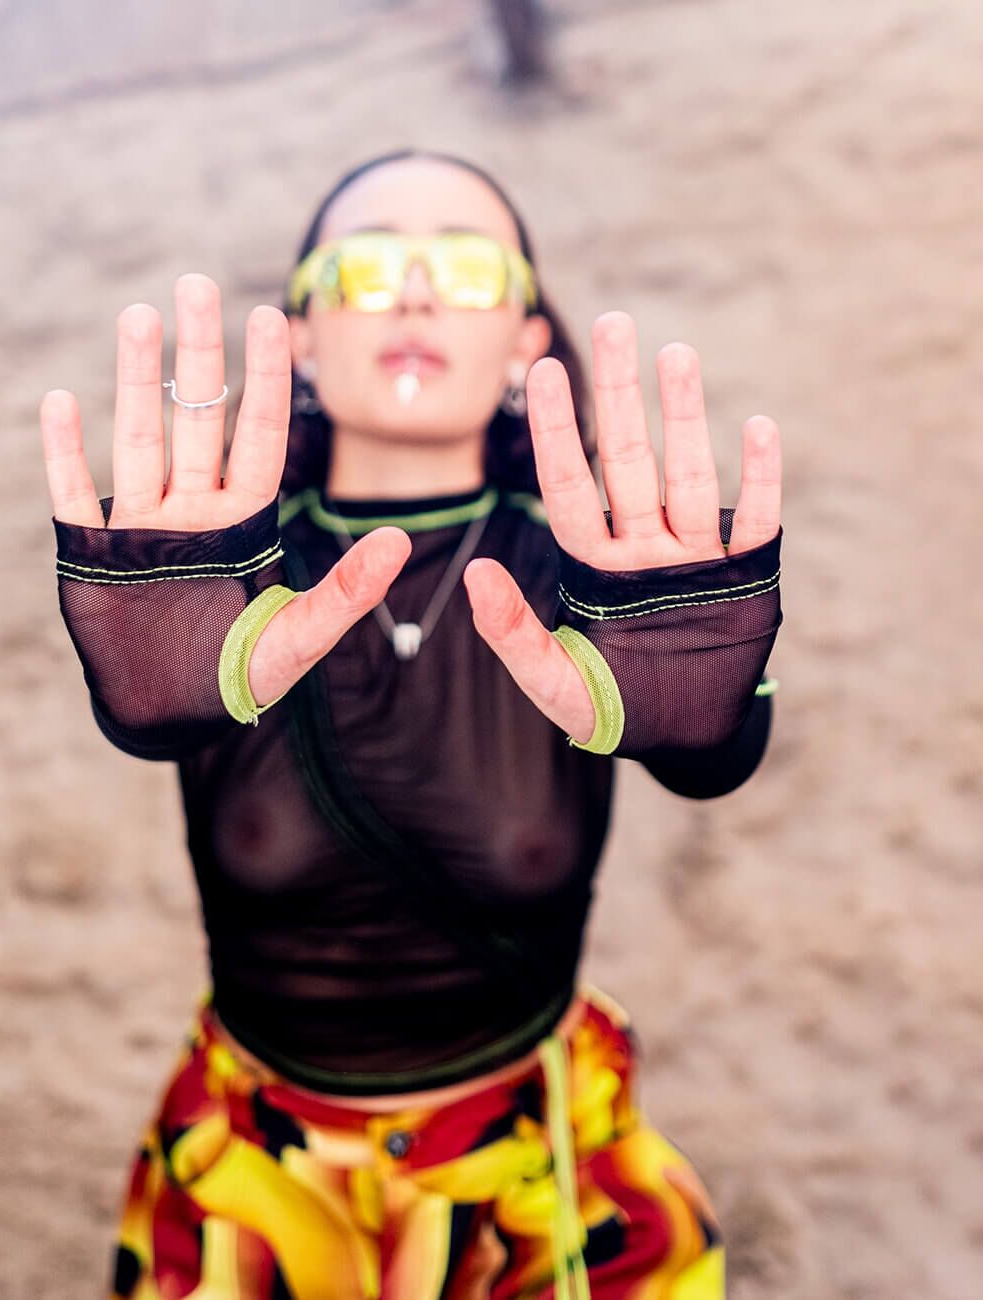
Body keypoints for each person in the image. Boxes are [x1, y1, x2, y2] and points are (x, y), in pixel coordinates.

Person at [40, 148, 782, 1300]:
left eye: (468, 272)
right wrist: (148, 686)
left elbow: (715, 763)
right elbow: (150, 722)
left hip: (536, 1163)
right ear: (300, 336)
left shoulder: (606, 572)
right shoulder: (216, 569)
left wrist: (694, 711)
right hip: (256, 1176)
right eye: (369, 269)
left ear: (527, 341)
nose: (418, 296)